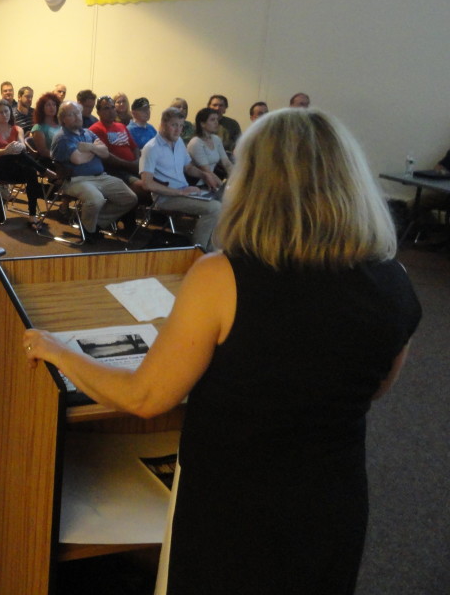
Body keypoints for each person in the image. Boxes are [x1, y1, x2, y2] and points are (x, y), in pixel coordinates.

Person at [24, 107, 421, 595]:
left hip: (232, 503)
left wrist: (57, 350)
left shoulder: (223, 276)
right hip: (332, 499)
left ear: (256, 182)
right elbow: (376, 387)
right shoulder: (395, 282)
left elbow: (145, 398)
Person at [139, 107, 222, 250]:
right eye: (174, 125)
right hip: (166, 198)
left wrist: (205, 175)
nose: (178, 130)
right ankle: (198, 250)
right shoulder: (151, 148)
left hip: (183, 192)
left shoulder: (178, 143)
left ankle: (211, 250)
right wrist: (180, 193)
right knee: (214, 208)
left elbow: (188, 167)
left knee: (224, 203)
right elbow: (147, 184)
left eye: (181, 126)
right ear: (163, 124)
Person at [51, 101, 138, 237]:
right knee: (96, 199)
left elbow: (105, 152)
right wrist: (95, 149)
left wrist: (89, 147)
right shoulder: (62, 137)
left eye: (78, 113)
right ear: (63, 119)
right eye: (71, 114)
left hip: (101, 176)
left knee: (130, 198)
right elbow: (78, 160)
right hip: (76, 180)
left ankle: (95, 223)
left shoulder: (87, 133)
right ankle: (89, 231)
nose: (77, 116)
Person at [0, 100, 56, 229]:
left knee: (30, 171)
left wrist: (16, 147)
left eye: (6, 111)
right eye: (0, 112)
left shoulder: (18, 129)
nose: (4, 114)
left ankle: (32, 215)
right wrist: (6, 150)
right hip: (0, 167)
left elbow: (23, 146)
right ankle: (45, 171)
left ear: (11, 113)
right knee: (17, 155)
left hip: (16, 168)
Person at [88, 95, 146, 194]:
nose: (111, 111)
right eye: (106, 108)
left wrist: (136, 161)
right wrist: (129, 165)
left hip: (133, 167)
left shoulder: (121, 126)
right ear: (98, 112)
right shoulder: (95, 129)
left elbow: (134, 147)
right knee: (144, 187)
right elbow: (105, 156)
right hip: (116, 171)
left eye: (112, 107)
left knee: (159, 182)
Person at [187, 107, 233, 187]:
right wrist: (224, 188)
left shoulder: (216, 139)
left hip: (211, 181)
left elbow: (227, 163)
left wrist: (236, 180)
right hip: (197, 184)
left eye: (217, 119)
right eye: (212, 120)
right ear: (202, 124)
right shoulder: (196, 143)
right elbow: (207, 171)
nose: (216, 123)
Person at [29, 92, 62, 166]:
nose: (52, 107)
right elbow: (43, 151)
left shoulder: (61, 125)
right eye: (48, 105)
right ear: (42, 109)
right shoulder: (38, 128)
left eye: (54, 104)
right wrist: (61, 157)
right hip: (50, 161)